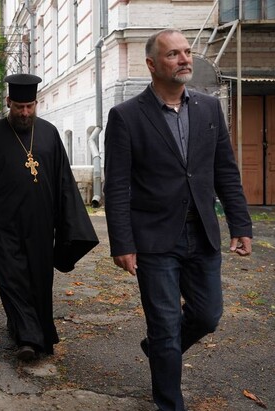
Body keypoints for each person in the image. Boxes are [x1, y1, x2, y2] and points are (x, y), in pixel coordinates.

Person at [103, 29, 253, 411]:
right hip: (154, 239)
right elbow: (118, 185)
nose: (185, 59)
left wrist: (241, 225)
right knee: (166, 326)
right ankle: (169, 402)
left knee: (207, 315)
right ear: (152, 65)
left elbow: (225, 171)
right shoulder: (126, 116)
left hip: (201, 232)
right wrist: (122, 242)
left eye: (187, 52)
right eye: (173, 54)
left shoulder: (207, 108)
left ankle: (156, 349)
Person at [0, 73, 98, 361]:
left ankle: (28, 329)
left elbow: (63, 180)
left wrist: (70, 224)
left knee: (38, 280)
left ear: (36, 103)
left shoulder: (48, 132)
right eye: (19, 107)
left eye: (30, 107)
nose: (25, 113)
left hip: (39, 223)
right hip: (2, 224)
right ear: (8, 102)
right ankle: (28, 338)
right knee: (11, 278)